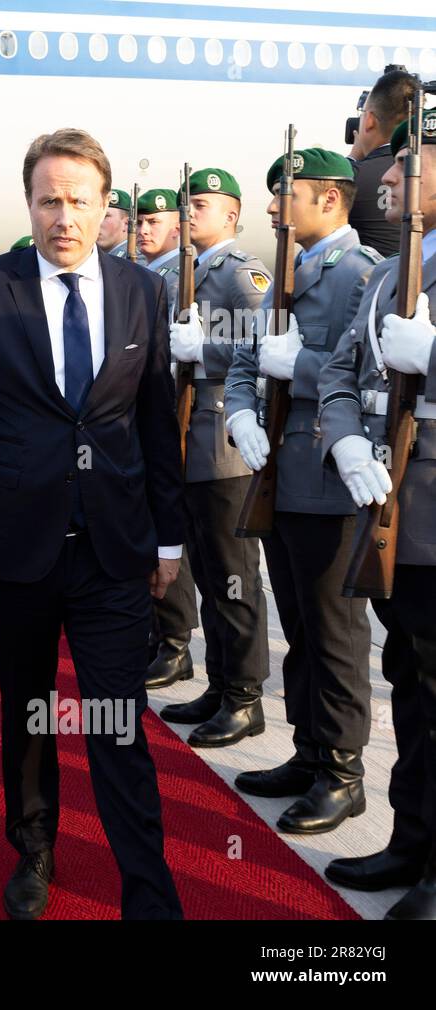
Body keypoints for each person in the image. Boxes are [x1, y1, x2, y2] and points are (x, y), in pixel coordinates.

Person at [0, 128, 184, 920]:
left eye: (78, 200)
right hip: (16, 550)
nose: (63, 216)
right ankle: (33, 849)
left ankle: (148, 888)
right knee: (29, 710)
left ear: (107, 207)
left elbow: (155, 420)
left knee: (117, 722)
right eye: (48, 200)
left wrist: (168, 537)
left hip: (113, 553)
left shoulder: (142, 292)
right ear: (28, 204)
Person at [224, 147, 381, 836]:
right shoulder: (286, 271)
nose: (269, 208)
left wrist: (305, 368)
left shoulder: (360, 275)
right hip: (279, 479)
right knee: (300, 629)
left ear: (327, 199)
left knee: (335, 636)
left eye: (283, 194)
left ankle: (343, 772)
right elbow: (242, 361)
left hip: (327, 480)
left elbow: (370, 378)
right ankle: (309, 751)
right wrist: (237, 412)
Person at [319, 112, 436, 919]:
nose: (388, 180)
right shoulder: (390, 271)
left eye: (409, 166)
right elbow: (336, 372)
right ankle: (411, 842)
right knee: (413, 684)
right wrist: (348, 446)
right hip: (391, 510)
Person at [160, 167, 273, 748]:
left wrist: (199, 347)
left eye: (200, 204)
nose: (188, 214)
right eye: (186, 205)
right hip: (190, 442)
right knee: (207, 573)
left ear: (231, 213)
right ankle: (220, 682)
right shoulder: (192, 269)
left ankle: (246, 697)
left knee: (234, 576)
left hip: (223, 444)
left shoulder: (240, 272)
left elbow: (264, 343)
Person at [134, 186, 201, 692]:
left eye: (153, 221)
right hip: (159, 424)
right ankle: (168, 642)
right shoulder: (150, 278)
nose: (142, 229)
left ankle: (235, 687)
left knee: (225, 577)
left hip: (209, 436)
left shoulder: (221, 273)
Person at [349, 69, 420, 259]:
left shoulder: (353, 176)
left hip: (370, 283)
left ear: (370, 120)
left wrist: (351, 160)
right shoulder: (425, 172)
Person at [100, 188, 131, 255]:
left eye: (105, 216)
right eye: (96, 216)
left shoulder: (135, 260)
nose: (98, 222)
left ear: (126, 224)